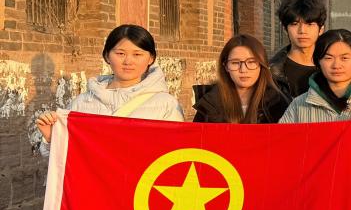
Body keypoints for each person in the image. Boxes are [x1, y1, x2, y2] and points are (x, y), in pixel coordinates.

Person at [35, 24, 183, 154]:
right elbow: (64, 159)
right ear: (107, 56)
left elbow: (175, 156)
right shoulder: (82, 103)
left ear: (151, 58)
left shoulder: (166, 105)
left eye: (137, 54)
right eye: (120, 54)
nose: (128, 61)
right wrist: (51, 138)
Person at [193, 34, 290, 124]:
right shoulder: (210, 104)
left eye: (251, 62)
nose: (243, 70)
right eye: (235, 63)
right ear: (226, 66)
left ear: (261, 65)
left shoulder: (278, 103)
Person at [269, 0, 326, 98]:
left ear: (321, 29)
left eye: (309, 24)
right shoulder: (270, 70)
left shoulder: (335, 66)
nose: (302, 31)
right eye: (294, 24)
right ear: (285, 29)